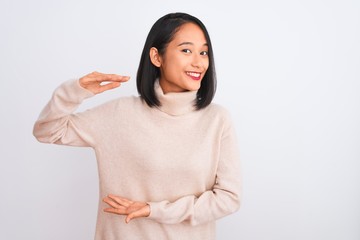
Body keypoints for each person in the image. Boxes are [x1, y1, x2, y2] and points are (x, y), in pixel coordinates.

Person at [33, 12, 241, 240]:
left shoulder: (217, 120)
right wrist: (75, 90)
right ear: (156, 57)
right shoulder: (118, 114)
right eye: (186, 50)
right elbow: (47, 131)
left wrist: (154, 210)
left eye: (203, 52)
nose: (198, 62)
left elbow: (228, 198)